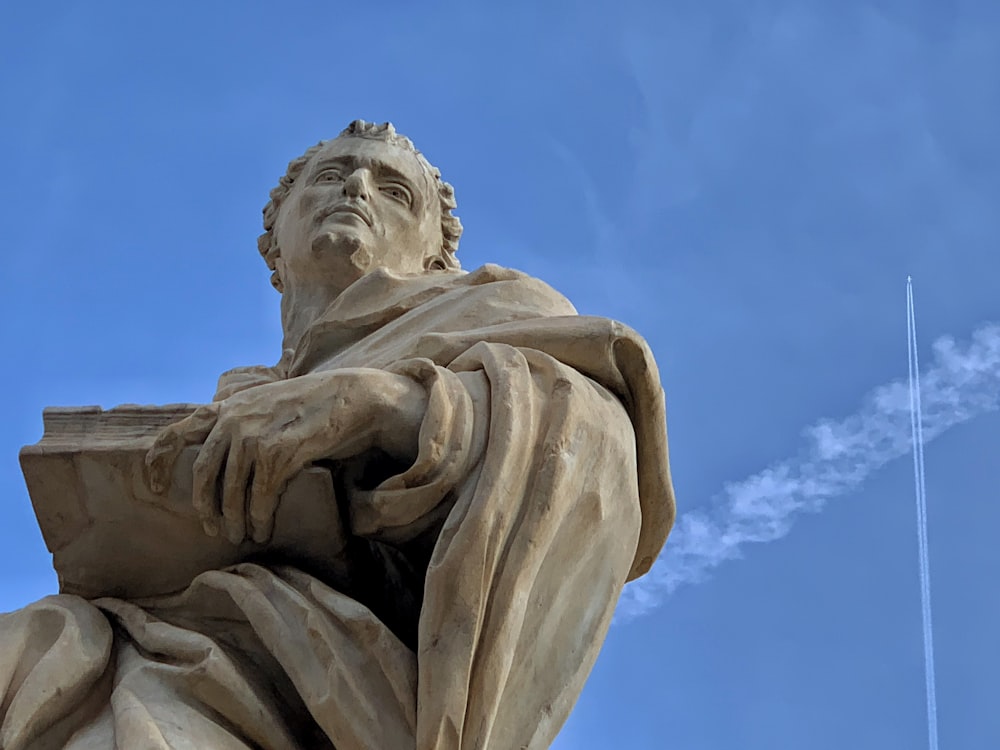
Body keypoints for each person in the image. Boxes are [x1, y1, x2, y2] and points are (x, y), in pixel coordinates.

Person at [0, 120, 676, 750]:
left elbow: (585, 438)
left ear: (436, 256)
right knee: (37, 644)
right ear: (275, 238)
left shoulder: (497, 312)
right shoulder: (247, 392)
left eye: (392, 190)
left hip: (343, 684)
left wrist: (382, 402)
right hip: (146, 631)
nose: (355, 189)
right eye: (331, 176)